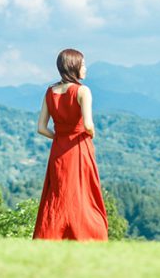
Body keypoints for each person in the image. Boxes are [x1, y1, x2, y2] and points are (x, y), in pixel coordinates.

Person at [32, 48, 109, 241]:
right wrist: (90, 133)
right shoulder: (82, 91)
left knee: (58, 195)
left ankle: (53, 234)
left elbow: (41, 128)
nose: (85, 68)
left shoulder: (50, 92)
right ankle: (88, 235)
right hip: (79, 148)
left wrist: (60, 137)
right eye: (83, 64)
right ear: (73, 67)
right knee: (83, 194)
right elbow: (88, 124)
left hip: (59, 150)